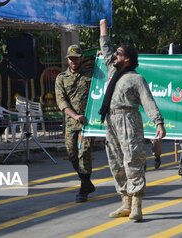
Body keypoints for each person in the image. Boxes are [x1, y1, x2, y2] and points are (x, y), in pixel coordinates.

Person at [99, 19, 166, 222]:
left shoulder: (136, 79)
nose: (114, 56)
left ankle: (137, 204)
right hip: (110, 120)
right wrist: (103, 28)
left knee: (132, 161)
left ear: (127, 59)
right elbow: (106, 49)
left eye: (119, 54)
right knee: (116, 162)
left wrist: (158, 123)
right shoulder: (113, 71)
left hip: (128, 120)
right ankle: (125, 202)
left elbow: (148, 101)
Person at [55, 44, 95, 202]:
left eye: (76, 58)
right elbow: (61, 101)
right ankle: (87, 182)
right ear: (67, 60)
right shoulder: (61, 78)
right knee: (71, 154)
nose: (74, 61)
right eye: (71, 58)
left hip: (88, 122)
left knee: (84, 152)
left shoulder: (91, 74)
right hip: (72, 122)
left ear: (81, 58)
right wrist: (75, 115)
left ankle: (84, 188)